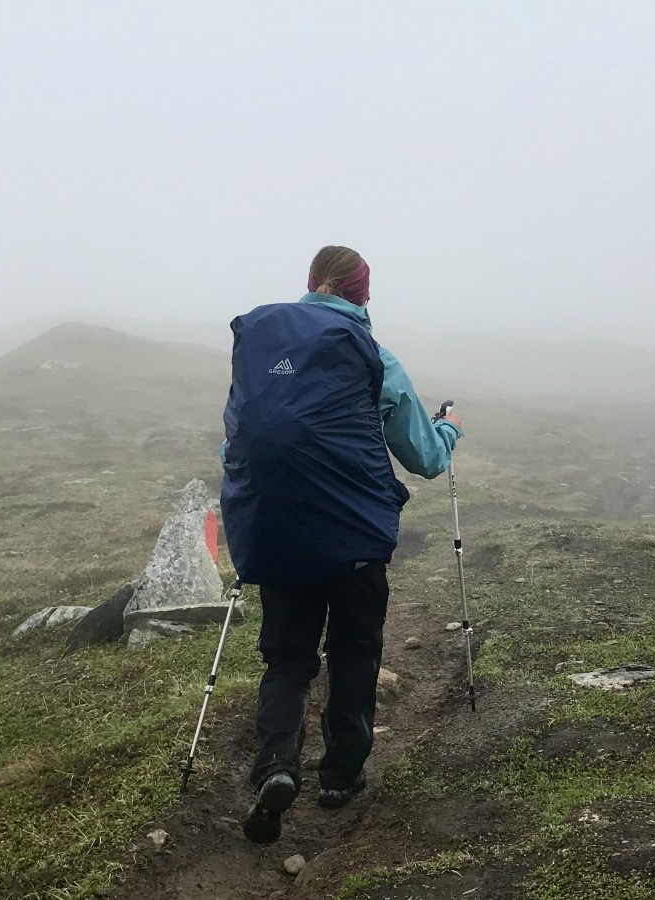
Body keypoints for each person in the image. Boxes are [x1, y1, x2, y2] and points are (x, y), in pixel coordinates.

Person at [220, 246, 462, 844]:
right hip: (353, 539)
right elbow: (425, 457)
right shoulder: (374, 356)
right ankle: (339, 777)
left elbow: (238, 437)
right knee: (354, 649)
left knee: (287, 658)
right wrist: (449, 429)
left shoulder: (260, 348)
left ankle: (276, 766)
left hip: (278, 535)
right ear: (364, 295)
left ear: (309, 283)